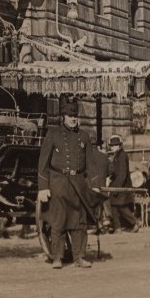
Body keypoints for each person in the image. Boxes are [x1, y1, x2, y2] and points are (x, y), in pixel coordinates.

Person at [37, 98, 100, 269]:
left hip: (78, 184)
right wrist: (43, 188)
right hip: (58, 184)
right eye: (69, 115)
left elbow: (91, 164)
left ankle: (79, 256)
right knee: (59, 222)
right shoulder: (53, 134)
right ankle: (57, 257)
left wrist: (94, 185)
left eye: (75, 115)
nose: (73, 119)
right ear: (63, 117)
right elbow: (43, 164)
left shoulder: (84, 136)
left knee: (79, 222)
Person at [106, 135, 139, 233]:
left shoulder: (121, 156)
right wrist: (110, 178)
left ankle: (133, 223)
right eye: (111, 146)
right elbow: (117, 172)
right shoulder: (118, 155)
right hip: (119, 185)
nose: (111, 147)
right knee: (115, 206)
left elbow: (122, 174)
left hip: (121, 187)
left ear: (117, 145)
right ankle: (118, 228)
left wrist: (116, 188)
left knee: (120, 207)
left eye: (112, 145)